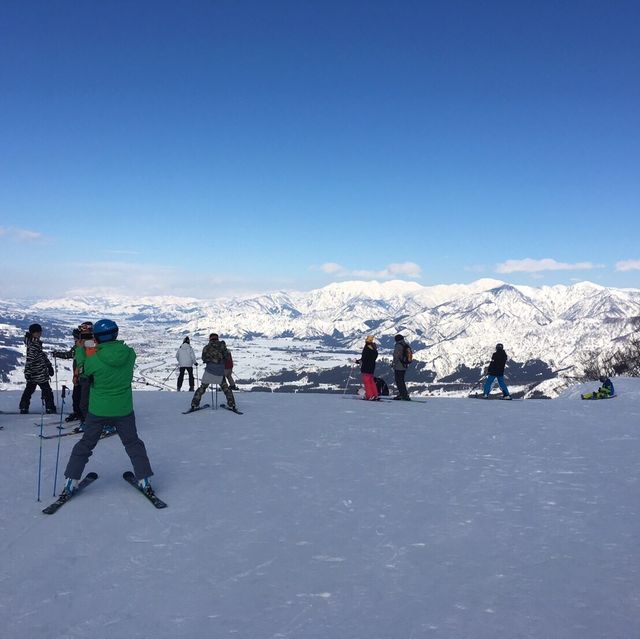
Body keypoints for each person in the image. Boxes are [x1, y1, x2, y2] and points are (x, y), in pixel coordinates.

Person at [60, 319, 156, 499]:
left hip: (98, 410)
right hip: (123, 408)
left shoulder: (94, 358)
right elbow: (114, 355)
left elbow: (82, 372)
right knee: (133, 443)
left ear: (96, 337)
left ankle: (71, 481)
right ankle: (145, 480)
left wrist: (81, 349)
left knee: (86, 444)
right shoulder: (129, 354)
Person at [52, 321, 94, 422]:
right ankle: (78, 413)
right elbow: (70, 354)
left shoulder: (92, 344)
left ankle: (86, 417)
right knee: (77, 397)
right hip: (78, 374)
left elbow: (70, 355)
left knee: (84, 399)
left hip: (86, 375)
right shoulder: (79, 345)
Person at [189, 333, 237, 411]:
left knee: (202, 388)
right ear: (217, 338)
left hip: (209, 371)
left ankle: (194, 404)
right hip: (220, 372)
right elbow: (226, 356)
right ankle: (232, 404)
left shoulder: (206, 348)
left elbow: (204, 359)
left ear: (210, 339)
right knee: (226, 389)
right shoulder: (222, 346)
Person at [19, 323, 57, 414]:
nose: (40, 333)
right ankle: (50, 408)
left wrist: (48, 365)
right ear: (33, 333)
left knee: (29, 390)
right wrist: (28, 372)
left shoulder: (34, 342)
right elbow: (30, 360)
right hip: (38, 372)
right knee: (47, 390)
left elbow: (41, 355)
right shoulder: (34, 344)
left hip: (35, 372)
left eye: (40, 332)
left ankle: (24, 407)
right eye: (38, 332)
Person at [356, 335, 379, 400]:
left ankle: (370, 395)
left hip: (366, 367)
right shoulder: (374, 348)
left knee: (367, 382)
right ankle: (375, 394)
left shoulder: (367, 348)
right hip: (372, 366)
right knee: (371, 381)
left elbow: (364, 358)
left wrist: (357, 361)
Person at [392, 334, 411, 400]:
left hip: (399, 366)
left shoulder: (398, 346)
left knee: (399, 380)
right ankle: (404, 394)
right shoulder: (405, 344)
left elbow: (396, 356)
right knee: (402, 380)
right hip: (404, 365)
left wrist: (393, 364)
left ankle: (402, 395)